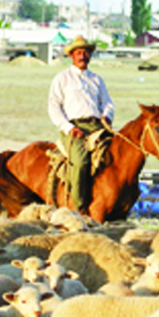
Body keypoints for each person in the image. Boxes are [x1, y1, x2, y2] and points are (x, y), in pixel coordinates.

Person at [48, 35, 114, 215]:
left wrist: (107, 116)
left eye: (86, 52)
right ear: (71, 56)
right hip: (75, 127)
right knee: (80, 162)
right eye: (78, 52)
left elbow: (108, 102)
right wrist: (69, 128)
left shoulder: (96, 80)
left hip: (97, 126)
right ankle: (78, 208)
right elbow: (54, 106)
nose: (82, 55)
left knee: (118, 154)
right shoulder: (62, 79)